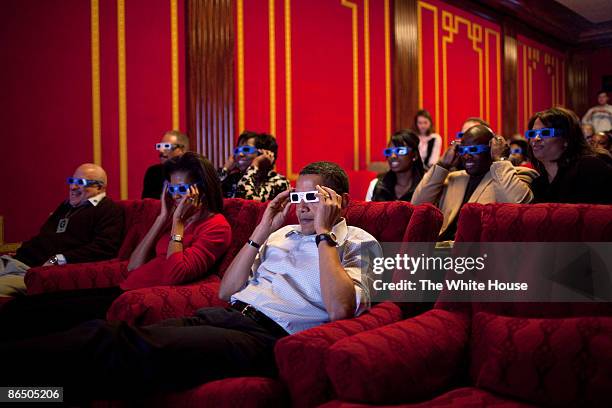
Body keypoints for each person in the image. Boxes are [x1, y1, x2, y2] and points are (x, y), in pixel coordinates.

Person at [0, 161, 381, 403]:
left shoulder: (359, 241)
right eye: (298, 195)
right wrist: (262, 230)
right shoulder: (280, 234)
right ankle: (25, 394)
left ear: (340, 202)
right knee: (112, 333)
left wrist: (324, 234)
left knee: (120, 343)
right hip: (225, 313)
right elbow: (226, 291)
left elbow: (340, 308)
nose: (302, 205)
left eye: (314, 197)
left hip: (267, 335)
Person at [0, 152, 231, 339]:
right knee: (25, 307)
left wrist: (177, 226)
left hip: (133, 299)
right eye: (171, 189)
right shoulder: (175, 219)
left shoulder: (216, 226)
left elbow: (175, 274)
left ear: (202, 188)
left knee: (37, 318)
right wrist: (162, 219)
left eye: (182, 189)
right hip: (124, 287)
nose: (175, 197)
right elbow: (134, 265)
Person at [0, 163, 124, 297]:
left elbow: (104, 248)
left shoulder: (107, 209)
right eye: (72, 181)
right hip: (15, 261)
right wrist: (21, 251)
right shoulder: (66, 206)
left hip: (35, 273)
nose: (72, 187)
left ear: (98, 187)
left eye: (80, 182)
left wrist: (58, 259)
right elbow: (45, 236)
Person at [412, 124, 538, 241]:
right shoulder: (452, 178)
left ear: (492, 149)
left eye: (474, 149)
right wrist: (442, 164)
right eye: (463, 150)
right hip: (442, 252)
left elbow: (517, 208)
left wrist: (500, 160)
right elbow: (417, 206)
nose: (467, 156)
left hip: (482, 254)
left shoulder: (517, 175)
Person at [528, 107, 612, 204]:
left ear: (567, 138)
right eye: (532, 133)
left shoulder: (589, 167)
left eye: (545, 132)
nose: (536, 138)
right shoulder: (539, 184)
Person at [219, 131, 290, 201]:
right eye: (237, 150)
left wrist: (255, 165)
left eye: (246, 149)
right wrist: (225, 170)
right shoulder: (232, 178)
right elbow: (210, 196)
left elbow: (249, 202)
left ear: (263, 153)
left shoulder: (278, 182)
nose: (240, 154)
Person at [365, 129, 425, 201]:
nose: (393, 156)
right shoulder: (376, 185)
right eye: (389, 151)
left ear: (414, 155)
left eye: (400, 151)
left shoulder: (425, 186)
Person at [142, 130, 189, 199]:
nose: (161, 150)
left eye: (166, 146)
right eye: (160, 146)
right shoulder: (153, 173)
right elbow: (147, 205)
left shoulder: (194, 173)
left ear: (182, 150)